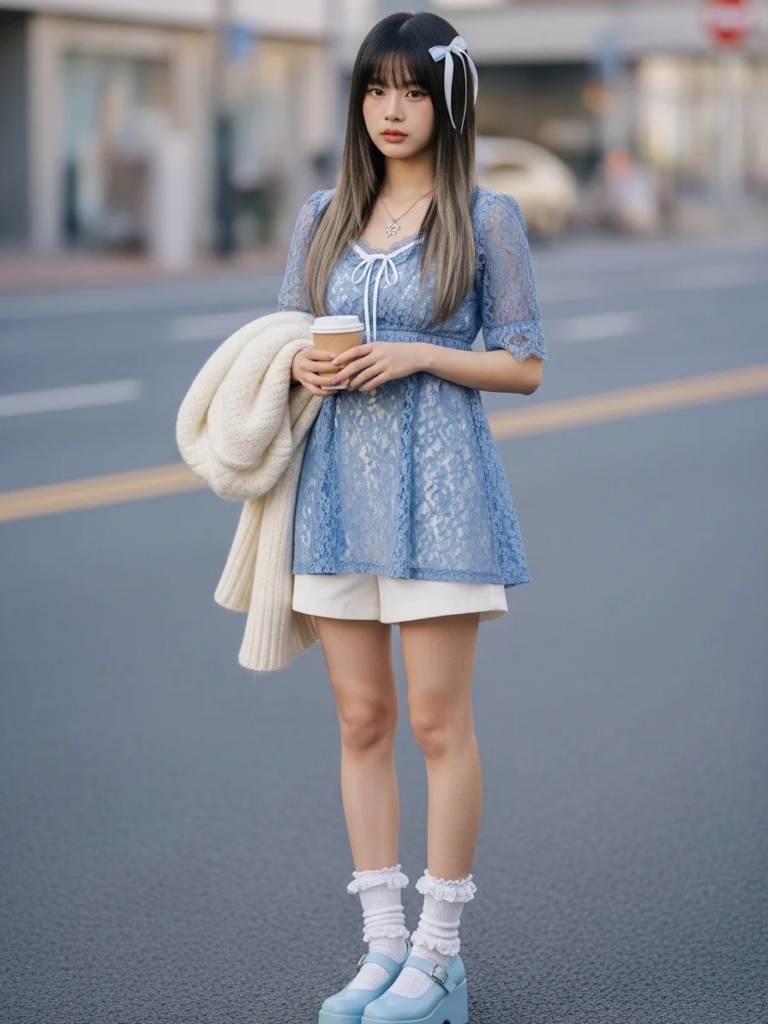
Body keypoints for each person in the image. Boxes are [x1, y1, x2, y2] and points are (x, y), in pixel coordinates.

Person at [277, 11, 546, 1024]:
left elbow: (523, 365)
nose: (393, 111)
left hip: (441, 494)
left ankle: (440, 958)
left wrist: (421, 352)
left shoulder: (487, 217)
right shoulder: (322, 216)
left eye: (416, 91)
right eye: (377, 89)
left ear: (449, 101)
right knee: (360, 719)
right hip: (336, 490)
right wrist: (302, 360)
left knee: (436, 722)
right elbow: (284, 339)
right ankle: (381, 948)